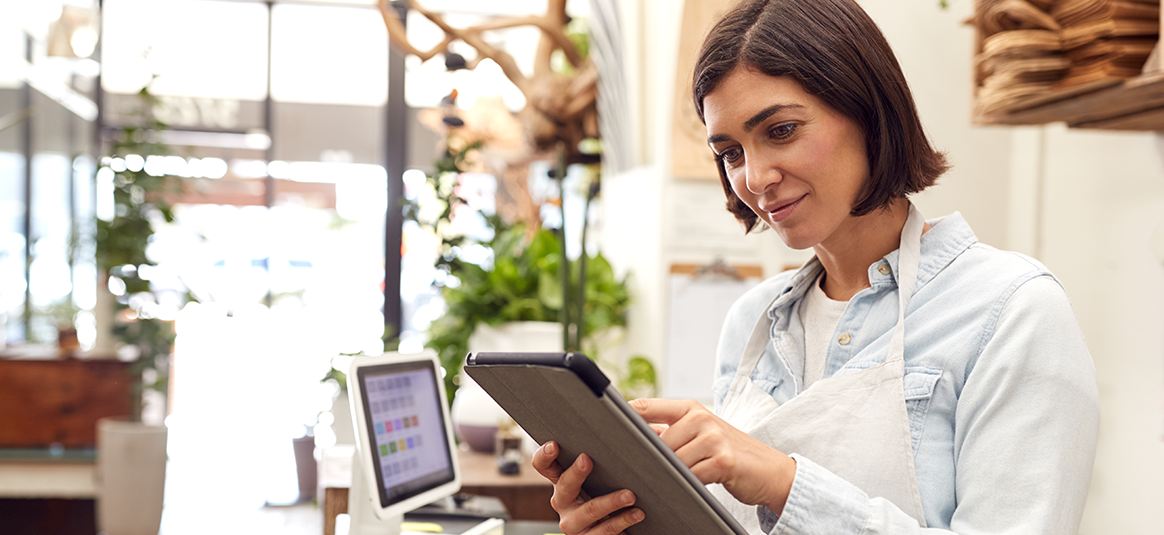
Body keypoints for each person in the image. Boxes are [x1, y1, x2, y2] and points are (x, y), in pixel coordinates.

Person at [532, 0, 1100, 534]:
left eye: (780, 131)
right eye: (731, 152)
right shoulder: (753, 321)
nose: (754, 177)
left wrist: (783, 482)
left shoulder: (1012, 311)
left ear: (868, 111)